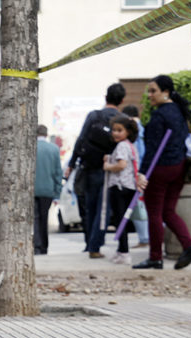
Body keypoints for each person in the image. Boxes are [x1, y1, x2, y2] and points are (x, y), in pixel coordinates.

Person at [133, 75, 191, 270]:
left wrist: (142, 173)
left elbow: (152, 148)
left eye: (153, 91)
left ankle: (155, 257)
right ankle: (189, 245)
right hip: (179, 167)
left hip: (160, 169)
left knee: (154, 213)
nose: (150, 95)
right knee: (168, 211)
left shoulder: (159, 115)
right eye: (149, 91)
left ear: (166, 92)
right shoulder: (179, 112)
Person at [65, 83, 126, 259]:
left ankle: (89, 244)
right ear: (122, 100)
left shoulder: (94, 115)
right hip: (109, 170)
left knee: (90, 207)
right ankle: (95, 246)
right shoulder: (121, 119)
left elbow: (81, 138)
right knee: (104, 209)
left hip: (89, 167)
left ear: (105, 96)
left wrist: (72, 163)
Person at [103, 115, 139, 264]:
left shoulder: (122, 146)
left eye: (120, 130)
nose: (115, 133)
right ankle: (121, 250)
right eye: (114, 130)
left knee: (120, 221)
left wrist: (107, 166)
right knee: (122, 220)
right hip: (128, 186)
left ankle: (124, 252)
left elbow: (122, 165)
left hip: (120, 186)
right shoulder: (130, 145)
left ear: (128, 132)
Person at [122, 104, 150, 248]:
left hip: (138, 172)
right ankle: (146, 237)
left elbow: (137, 152)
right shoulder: (145, 129)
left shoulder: (135, 131)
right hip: (147, 171)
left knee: (138, 206)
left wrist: (137, 173)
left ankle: (144, 239)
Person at [34, 125, 62, 255]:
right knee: (44, 219)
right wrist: (57, 193)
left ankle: (36, 245)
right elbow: (58, 173)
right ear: (46, 134)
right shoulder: (54, 149)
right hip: (48, 190)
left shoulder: (30, 148)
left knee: (34, 218)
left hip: (32, 190)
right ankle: (44, 247)